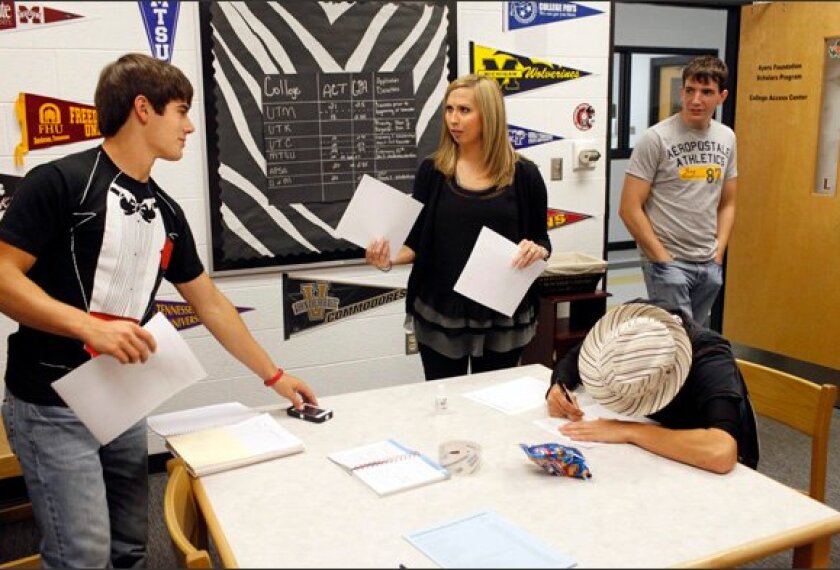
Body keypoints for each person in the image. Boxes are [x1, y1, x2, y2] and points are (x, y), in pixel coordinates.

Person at [0, 53, 318, 568]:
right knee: (81, 553)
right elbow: (2, 277)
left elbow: (210, 303)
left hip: (122, 396)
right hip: (50, 405)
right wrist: (85, 326)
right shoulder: (59, 182)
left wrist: (273, 375)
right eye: (181, 110)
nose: (190, 126)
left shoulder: (167, 211)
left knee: (130, 545)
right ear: (142, 108)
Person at [365, 74, 551, 381]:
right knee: (444, 402)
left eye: (464, 110)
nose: (454, 119)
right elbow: (416, 242)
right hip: (442, 311)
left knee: (493, 402)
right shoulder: (433, 171)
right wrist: (388, 259)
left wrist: (537, 250)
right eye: (449, 109)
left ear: (489, 115)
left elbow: (542, 241)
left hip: (501, 313)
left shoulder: (524, 174)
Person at [546, 300, 758, 475]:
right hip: (655, 452)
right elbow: (577, 356)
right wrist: (558, 388)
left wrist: (628, 431)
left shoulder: (710, 358)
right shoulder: (635, 323)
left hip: (702, 465)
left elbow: (720, 450)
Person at [618, 55, 737, 326]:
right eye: (690, 90)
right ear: (681, 92)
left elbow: (728, 202)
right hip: (668, 262)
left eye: (706, 92)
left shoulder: (727, 137)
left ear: (722, 96)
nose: (696, 100)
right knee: (675, 341)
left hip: (708, 262)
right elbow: (629, 208)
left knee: (694, 341)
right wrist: (662, 260)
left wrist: (718, 255)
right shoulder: (656, 138)